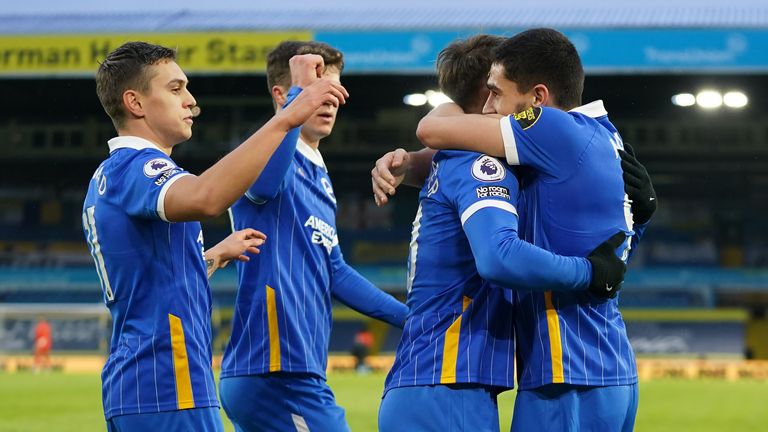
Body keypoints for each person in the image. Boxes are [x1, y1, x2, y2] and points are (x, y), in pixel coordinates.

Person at [82, 41, 347, 432]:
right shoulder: (137, 166)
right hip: (167, 381)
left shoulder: (108, 176)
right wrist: (286, 119)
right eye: (175, 89)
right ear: (135, 103)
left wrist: (211, 257)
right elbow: (207, 198)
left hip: (143, 384)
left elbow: (146, 284)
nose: (190, 101)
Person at [376, 35, 628, 432]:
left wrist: (431, 132)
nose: (494, 106)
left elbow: (432, 128)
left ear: (538, 98)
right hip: (594, 366)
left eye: (499, 92)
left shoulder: (545, 125)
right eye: (489, 93)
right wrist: (413, 162)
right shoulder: (606, 139)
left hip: (565, 370)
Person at [218, 41, 408, 432]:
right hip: (275, 367)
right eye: (318, 90)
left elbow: (334, 270)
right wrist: (298, 98)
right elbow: (265, 187)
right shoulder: (263, 150)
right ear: (281, 94)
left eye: (334, 91)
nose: (330, 101)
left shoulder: (318, 172)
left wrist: (411, 318)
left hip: (293, 366)